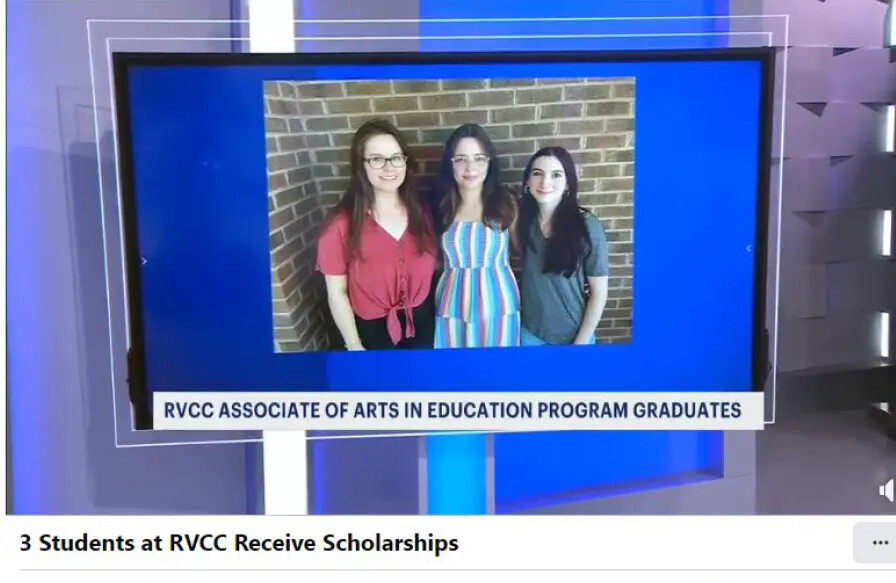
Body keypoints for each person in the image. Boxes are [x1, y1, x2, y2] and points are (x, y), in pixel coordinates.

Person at [316, 118, 437, 350]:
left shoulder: (422, 214)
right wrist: (354, 345)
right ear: (361, 166)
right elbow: (337, 293)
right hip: (372, 332)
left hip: (423, 323)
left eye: (395, 158)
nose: (389, 167)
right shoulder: (339, 225)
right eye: (377, 159)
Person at [433, 123, 520, 348]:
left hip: (498, 305)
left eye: (479, 158)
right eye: (461, 158)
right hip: (453, 305)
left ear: (489, 162)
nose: (470, 167)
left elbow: (521, 251)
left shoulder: (505, 202)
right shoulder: (440, 205)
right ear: (450, 164)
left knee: (497, 376)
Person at [516, 146, 609, 345]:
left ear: (568, 184)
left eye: (556, 175)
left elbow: (599, 292)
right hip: (529, 332)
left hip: (574, 335)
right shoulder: (522, 220)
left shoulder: (587, 226)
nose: (545, 182)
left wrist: (581, 342)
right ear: (527, 182)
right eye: (537, 173)